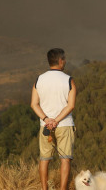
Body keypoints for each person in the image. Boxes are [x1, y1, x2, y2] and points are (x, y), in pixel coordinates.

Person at [31, 48, 76, 190]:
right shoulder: (69, 80)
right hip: (64, 124)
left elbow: (34, 104)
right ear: (61, 61)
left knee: (45, 160)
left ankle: (44, 188)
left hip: (45, 126)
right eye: (65, 59)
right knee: (65, 159)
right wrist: (56, 120)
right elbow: (71, 105)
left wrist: (46, 119)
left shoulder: (39, 80)